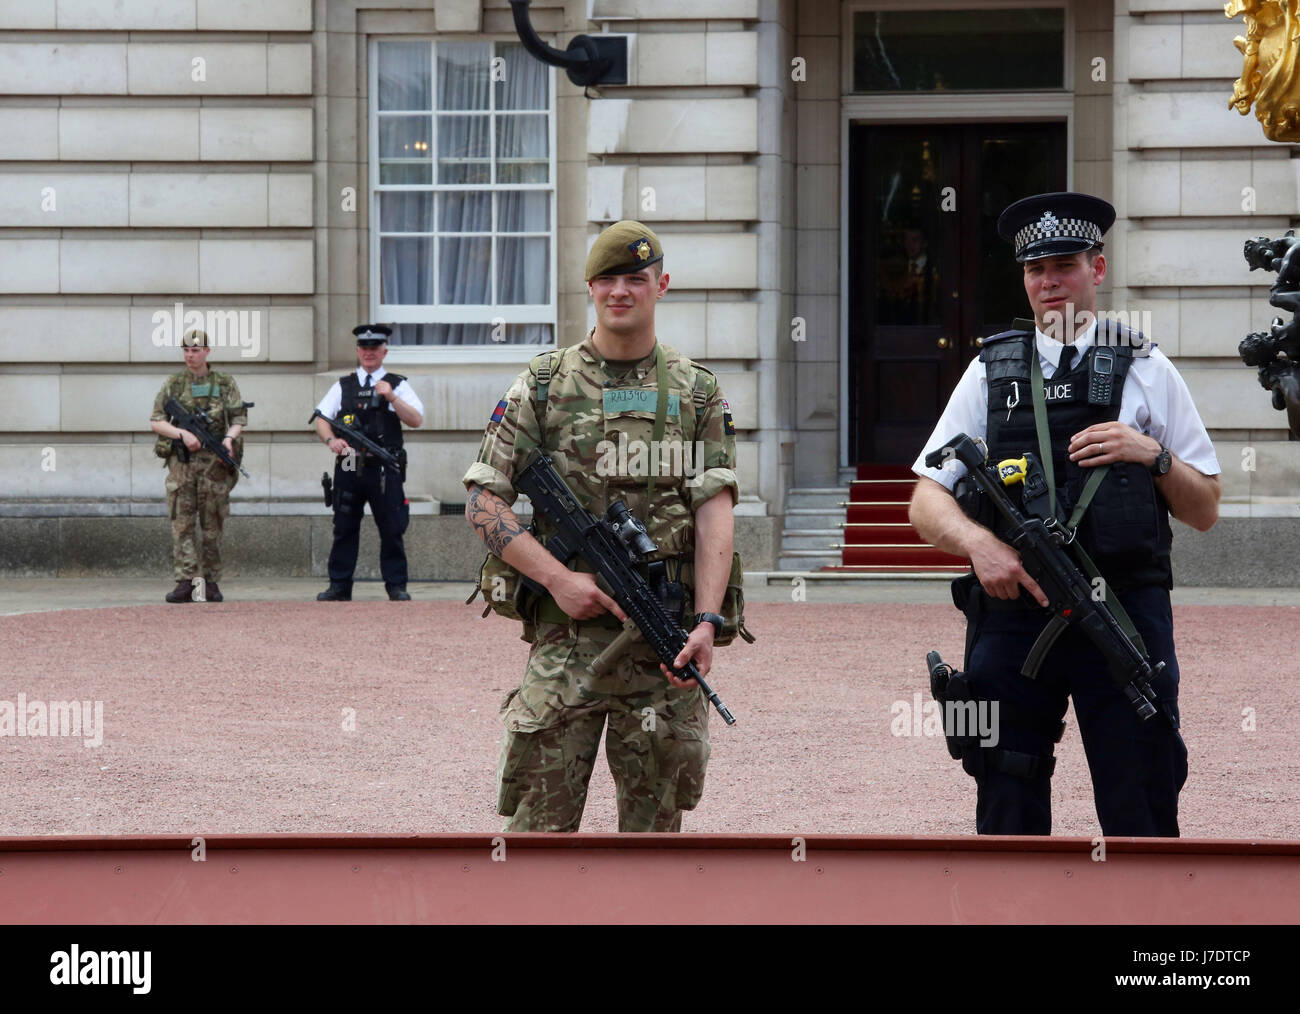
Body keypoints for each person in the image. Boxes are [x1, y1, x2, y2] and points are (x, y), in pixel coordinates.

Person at [909, 192, 1222, 837]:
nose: (1048, 280)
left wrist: (1152, 455)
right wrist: (979, 545)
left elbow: (1206, 509)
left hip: (1124, 611)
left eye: (1064, 263)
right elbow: (926, 499)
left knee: (1142, 784)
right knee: (1004, 783)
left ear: (1097, 269)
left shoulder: (1148, 368)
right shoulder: (988, 371)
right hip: (1015, 609)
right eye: (1034, 269)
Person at [462, 220, 739, 832]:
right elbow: (484, 500)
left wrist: (707, 620)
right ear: (589, 286)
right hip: (566, 644)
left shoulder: (697, 392)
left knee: (655, 843)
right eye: (608, 279)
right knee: (537, 834)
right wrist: (559, 579)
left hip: (664, 646)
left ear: (660, 285)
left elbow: (715, 506)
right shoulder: (542, 383)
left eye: (635, 279)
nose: (621, 291)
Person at [314, 324, 424, 602]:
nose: (369, 353)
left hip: (384, 467)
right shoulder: (344, 385)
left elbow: (416, 419)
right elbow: (322, 420)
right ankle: (339, 585)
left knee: (391, 527)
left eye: (374, 348)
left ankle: (396, 586)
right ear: (357, 351)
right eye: (364, 348)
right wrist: (331, 442)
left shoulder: (397, 384)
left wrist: (391, 397)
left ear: (384, 351)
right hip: (350, 461)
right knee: (344, 525)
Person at [149, 329, 248, 603]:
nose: (190, 355)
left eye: (196, 350)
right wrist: (182, 434)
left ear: (207, 351)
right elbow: (156, 421)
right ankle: (186, 581)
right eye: (186, 351)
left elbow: (238, 418)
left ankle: (211, 582)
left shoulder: (224, 382)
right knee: (182, 524)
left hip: (213, 466)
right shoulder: (174, 383)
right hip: (182, 465)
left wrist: (228, 439)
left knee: (212, 523)